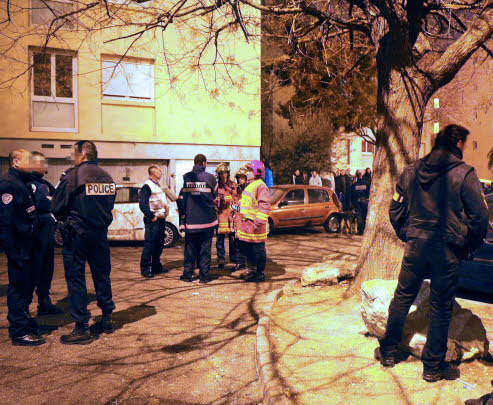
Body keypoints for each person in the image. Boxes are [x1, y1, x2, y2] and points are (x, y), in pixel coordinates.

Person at [376, 125, 488, 383]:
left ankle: (389, 351)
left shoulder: (412, 171)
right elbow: (480, 217)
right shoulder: (464, 173)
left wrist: (409, 233)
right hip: (446, 249)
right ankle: (432, 368)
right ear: (457, 142)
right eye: (465, 143)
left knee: (402, 297)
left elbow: (395, 209)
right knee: (440, 307)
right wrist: (467, 245)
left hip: (416, 246)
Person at [52, 141, 116, 344]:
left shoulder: (73, 175)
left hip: (77, 235)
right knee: (102, 275)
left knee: (76, 279)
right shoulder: (107, 176)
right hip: (100, 234)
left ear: (82, 154)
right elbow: (109, 204)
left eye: (74, 153)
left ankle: (81, 328)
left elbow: (56, 206)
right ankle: (107, 319)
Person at [0, 149, 44, 346]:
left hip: (28, 246)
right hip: (19, 248)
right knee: (19, 288)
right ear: (16, 162)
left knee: (27, 287)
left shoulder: (23, 182)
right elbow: (6, 222)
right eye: (29, 160)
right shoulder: (8, 184)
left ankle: (24, 322)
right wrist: (14, 252)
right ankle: (19, 331)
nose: (33, 163)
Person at [27, 152, 63, 316]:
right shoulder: (29, 183)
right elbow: (42, 203)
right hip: (36, 234)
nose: (45, 166)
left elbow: (58, 200)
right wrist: (50, 201)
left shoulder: (45, 183)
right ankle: (26, 310)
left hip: (47, 232)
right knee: (34, 269)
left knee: (47, 268)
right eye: (42, 163)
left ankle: (44, 302)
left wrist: (51, 200)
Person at [177, 154, 218, 283]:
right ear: (204, 163)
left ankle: (187, 275)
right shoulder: (210, 178)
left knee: (190, 249)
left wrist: (183, 218)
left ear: (194, 163)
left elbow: (182, 198)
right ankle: (204, 276)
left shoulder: (186, 177)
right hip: (207, 221)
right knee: (205, 250)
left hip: (191, 222)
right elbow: (215, 195)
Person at [139, 164, 176, 278]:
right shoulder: (147, 186)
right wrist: (152, 217)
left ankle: (156, 266)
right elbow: (143, 205)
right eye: (159, 171)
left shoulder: (157, 185)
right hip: (153, 220)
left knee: (159, 245)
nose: (161, 173)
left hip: (160, 220)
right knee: (150, 245)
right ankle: (145, 269)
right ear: (154, 172)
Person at [237, 160, 271, 282]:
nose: (247, 173)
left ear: (257, 172)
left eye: (250, 170)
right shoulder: (250, 185)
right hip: (248, 225)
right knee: (249, 249)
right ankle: (251, 270)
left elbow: (265, 205)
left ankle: (260, 273)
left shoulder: (260, 186)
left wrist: (259, 223)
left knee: (258, 250)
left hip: (256, 226)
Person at [215, 163, 242, 269]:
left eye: (225, 173)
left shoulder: (234, 185)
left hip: (231, 216)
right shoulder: (216, 186)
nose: (223, 175)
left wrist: (233, 207)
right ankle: (221, 259)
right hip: (221, 216)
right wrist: (219, 201)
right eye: (221, 173)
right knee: (220, 239)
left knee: (233, 239)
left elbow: (238, 199)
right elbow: (214, 201)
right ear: (218, 174)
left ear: (228, 173)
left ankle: (233, 258)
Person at [351, 170, 370, 235]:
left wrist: (353, 203)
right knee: (364, 216)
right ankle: (365, 230)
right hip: (365, 201)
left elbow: (352, 195)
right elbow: (369, 193)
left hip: (357, 202)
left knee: (359, 216)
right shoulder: (366, 184)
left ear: (356, 176)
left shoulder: (354, 185)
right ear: (361, 175)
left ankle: (360, 231)